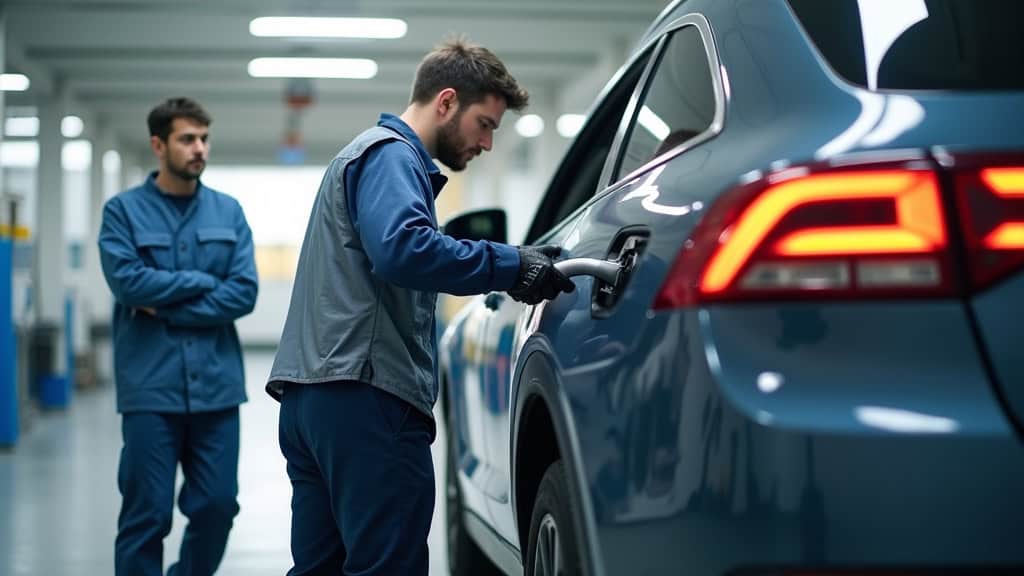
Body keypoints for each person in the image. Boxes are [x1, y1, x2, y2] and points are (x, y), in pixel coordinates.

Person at [267, 38, 575, 575]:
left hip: (311, 399)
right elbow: (403, 249)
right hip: (366, 396)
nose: (487, 143)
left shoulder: (363, 154)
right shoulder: (391, 154)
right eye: (486, 124)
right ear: (447, 101)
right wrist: (512, 265)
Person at [98, 97, 258, 576]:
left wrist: (162, 306)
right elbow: (128, 283)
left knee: (217, 506)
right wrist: (202, 283)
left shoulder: (229, 212)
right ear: (158, 145)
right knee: (145, 514)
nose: (199, 149)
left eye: (204, 139)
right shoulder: (122, 213)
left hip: (217, 388)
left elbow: (243, 293)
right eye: (187, 139)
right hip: (151, 389)